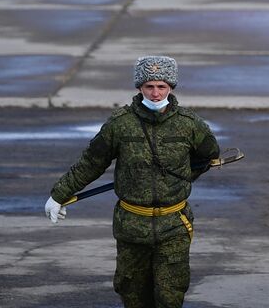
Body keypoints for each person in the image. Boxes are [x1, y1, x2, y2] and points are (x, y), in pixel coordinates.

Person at [45, 56, 220, 308]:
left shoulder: (189, 125)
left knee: (170, 296)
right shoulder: (120, 124)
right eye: (149, 86)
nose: (156, 93)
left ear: (171, 87)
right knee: (132, 293)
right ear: (139, 87)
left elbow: (208, 156)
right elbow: (91, 163)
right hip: (131, 225)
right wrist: (59, 195)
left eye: (161, 86)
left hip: (174, 224)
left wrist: (181, 178)